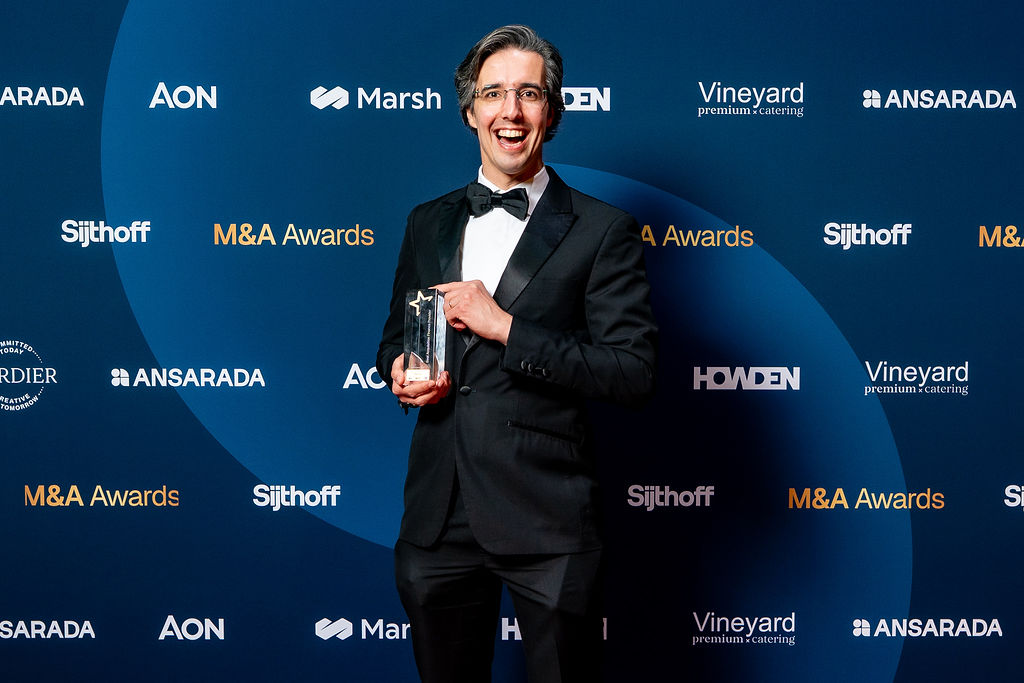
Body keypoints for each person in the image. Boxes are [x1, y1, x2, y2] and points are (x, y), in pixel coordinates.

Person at [376, 24, 657, 683]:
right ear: (469, 110)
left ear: (551, 113)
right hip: (438, 515)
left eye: (528, 93)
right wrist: (400, 369)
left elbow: (633, 372)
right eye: (493, 93)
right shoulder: (427, 220)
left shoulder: (602, 230)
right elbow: (395, 337)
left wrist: (506, 327)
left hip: (548, 518)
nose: (511, 110)